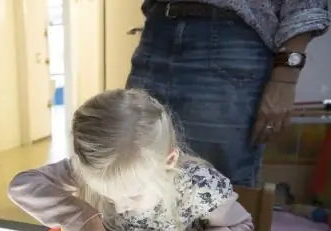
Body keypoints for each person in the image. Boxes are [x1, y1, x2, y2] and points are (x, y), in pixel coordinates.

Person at [8, 89, 253, 231]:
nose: (120, 207)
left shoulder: (198, 186)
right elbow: (22, 186)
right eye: (105, 194)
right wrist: (83, 217)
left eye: (133, 195)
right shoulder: (88, 168)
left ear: (168, 162)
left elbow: (241, 224)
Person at [127, 1, 329, 187]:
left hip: (232, 39)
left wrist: (285, 78)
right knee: (132, 175)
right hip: (158, 29)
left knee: (217, 193)